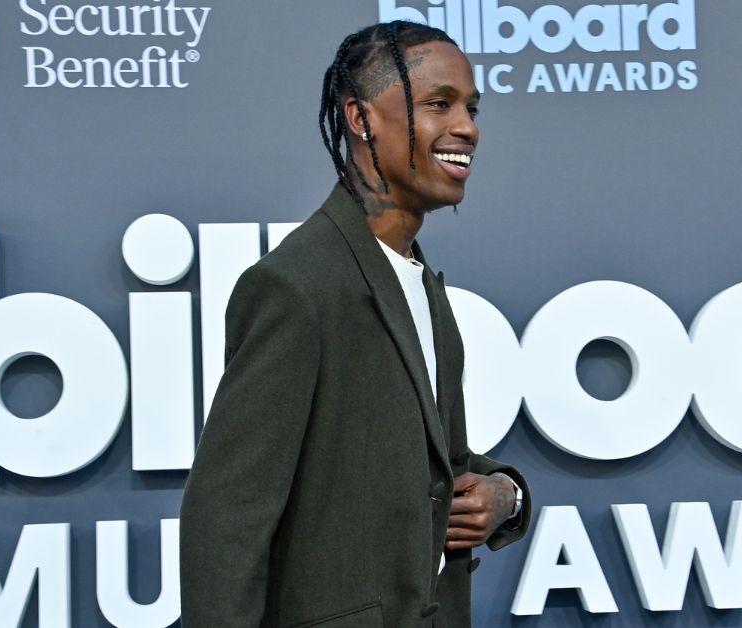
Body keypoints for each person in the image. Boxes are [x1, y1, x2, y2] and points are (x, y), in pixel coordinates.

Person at [179, 20, 532, 628]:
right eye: (438, 104)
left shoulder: (418, 281)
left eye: (472, 108)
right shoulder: (297, 286)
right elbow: (228, 517)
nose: (468, 128)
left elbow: (432, 464)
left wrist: (507, 496)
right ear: (360, 118)